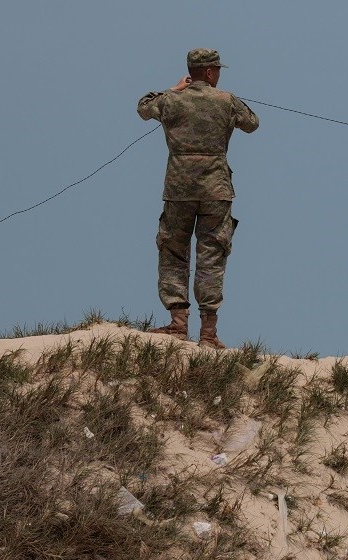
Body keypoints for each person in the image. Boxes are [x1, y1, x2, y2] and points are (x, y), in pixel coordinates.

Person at [137, 48, 259, 348]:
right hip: (216, 189)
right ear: (208, 72)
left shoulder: (172, 100)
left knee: (173, 251)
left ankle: (178, 325)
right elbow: (252, 123)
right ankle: (208, 334)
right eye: (217, 69)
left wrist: (175, 89)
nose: (219, 74)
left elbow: (143, 108)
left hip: (179, 188)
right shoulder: (227, 100)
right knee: (212, 256)